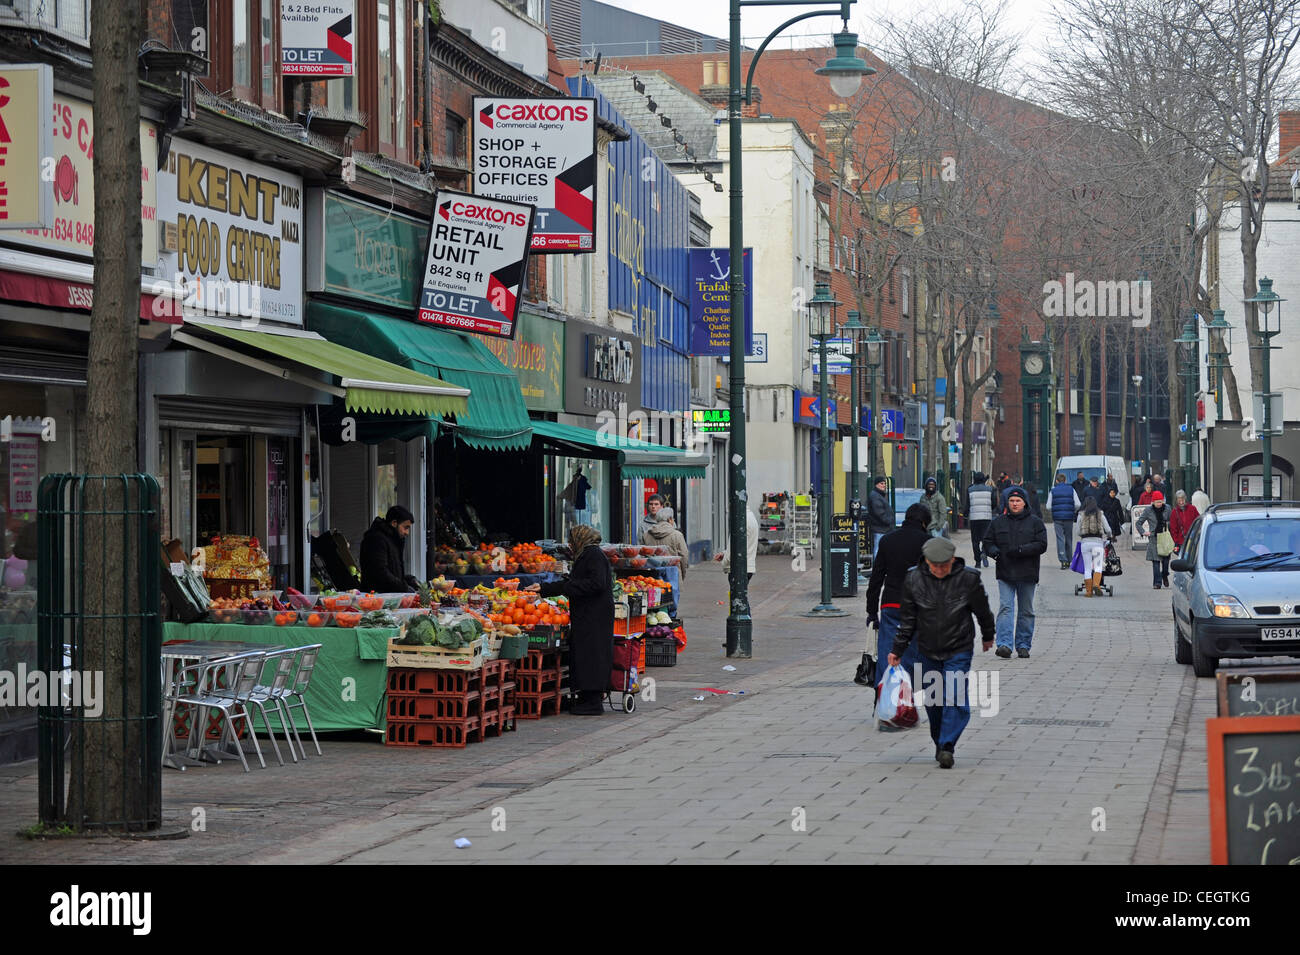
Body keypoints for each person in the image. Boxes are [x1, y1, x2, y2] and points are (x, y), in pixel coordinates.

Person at [888, 536, 995, 768]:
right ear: (926, 561)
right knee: (934, 701)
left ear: (952, 560)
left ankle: (947, 745)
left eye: (944, 566)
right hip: (927, 650)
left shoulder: (968, 579)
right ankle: (939, 741)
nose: (939, 570)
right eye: (934, 565)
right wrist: (898, 648)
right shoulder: (913, 579)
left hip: (959, 648)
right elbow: (907, 619)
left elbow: (982, 610)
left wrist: (988, 635)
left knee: (955, 696)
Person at [537, 525, 614, 715]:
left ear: (581, 539)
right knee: (585, 654)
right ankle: (585, 697)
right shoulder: (587, 555)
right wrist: (543, 589)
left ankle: (594, 702)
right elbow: (573, 582)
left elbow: (597, 584)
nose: (570, 545)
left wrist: (571, 588)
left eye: (572, 541)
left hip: (594, 616)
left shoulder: (594, 555)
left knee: (592, 655)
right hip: (588, 615)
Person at [866, 502, 931, 707]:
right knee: (912, 652)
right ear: (923, 522)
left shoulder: (887, 540)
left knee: (888, 651)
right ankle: (904, 701)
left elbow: (876, 577)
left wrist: (871, 611)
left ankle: (883, 700)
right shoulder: (928, 543)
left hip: (891, 604)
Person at [982, 486, 1048, 658]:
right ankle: (1004, 644)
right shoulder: (998, 522)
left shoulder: (1035, 523)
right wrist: (995, 552)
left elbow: (1042, 545)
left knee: (1026, 610)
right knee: (1005, 607)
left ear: (1024, 503)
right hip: (1005, 572)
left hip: (1027, 572)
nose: (1015, 504)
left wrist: (1021, 550)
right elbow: (987, 542)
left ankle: (1023, 644)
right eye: (1011, 501)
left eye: (1018, 501)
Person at [359, 505, 418, 593]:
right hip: (377, 597)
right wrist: (403, 587)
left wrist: (409, 580)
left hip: (388, 596)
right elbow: (380, 572)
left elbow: (392, 571)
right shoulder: (376, 539)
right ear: (394, 523)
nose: (407, 533)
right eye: (405, 527)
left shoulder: (392, 539)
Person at [1074, 496, 1113, 597]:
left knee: (1087, 568)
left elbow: (1077, 531)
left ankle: (1088, 591)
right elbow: (1108, 529)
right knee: (1098, 566)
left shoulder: (1080, 515)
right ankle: (1096, 585)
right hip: (1098, 543)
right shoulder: (1100, 514)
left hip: (1085, 543)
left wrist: (1083, 535)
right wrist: (1109, 536)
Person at [1135, 491, 1172, 589]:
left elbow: (1172, 521)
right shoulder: (1148, 510)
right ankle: (1157, 583)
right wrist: (1143, 532)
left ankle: (1164, 575)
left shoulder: (1167, 508)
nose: (1159, 504)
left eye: (1160, 502)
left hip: (1165, 537)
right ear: (1153, 502)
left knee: (1165, 561)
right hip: (1154, 538)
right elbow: (1138, 523)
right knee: (1156, 562)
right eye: (1157, 502)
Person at [715, 506, 759, 582]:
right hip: (749, 567)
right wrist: (724, 553)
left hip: (737, 569)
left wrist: (724, 562)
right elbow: (743, 544)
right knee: (741, 593)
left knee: (735, 593)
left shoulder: (740, 521)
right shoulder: (751, 516)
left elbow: (731, 552)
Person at [1049, 472, 1082, 570]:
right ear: (1065, 480)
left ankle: (1063, 561)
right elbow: (1078, 504)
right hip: (1069, 517)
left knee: (1060, 538)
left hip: (1057, 518)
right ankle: (1069, 560)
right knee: (1069, 538)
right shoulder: (1071, 489)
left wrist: (1054, 510)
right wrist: (1073, 511)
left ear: (1056, 481)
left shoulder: (1053, 491)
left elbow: (1047, 506)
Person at [640, 511, 690, 577]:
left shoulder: (646, 535)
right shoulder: (677, 535)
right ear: (670, 519)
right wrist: (682, 573)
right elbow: (684, 556)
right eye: (673, 519)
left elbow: (642, 556)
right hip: (673, 574)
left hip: (652, 576)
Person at [964, 471, 996, 568]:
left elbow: (967, 504)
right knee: (985, 539)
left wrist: (966, 514)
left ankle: (977, 562)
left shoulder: (970, 489)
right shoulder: (990, 489)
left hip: (974, 518)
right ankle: (984, 553)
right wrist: (989, 509)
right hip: (986, 517)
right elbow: (994, 503)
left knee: (975, 541)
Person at [867, 476, 894, 558]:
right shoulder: (876, 496)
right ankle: (877, 567)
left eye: (885, 483)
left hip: (881, 528)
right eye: (881, 483)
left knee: (880, 549)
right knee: (878, 549)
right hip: (880, 528)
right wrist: (888, 521)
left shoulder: (878, 495)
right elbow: (879, 513)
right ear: (876, 485)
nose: (884, 485)